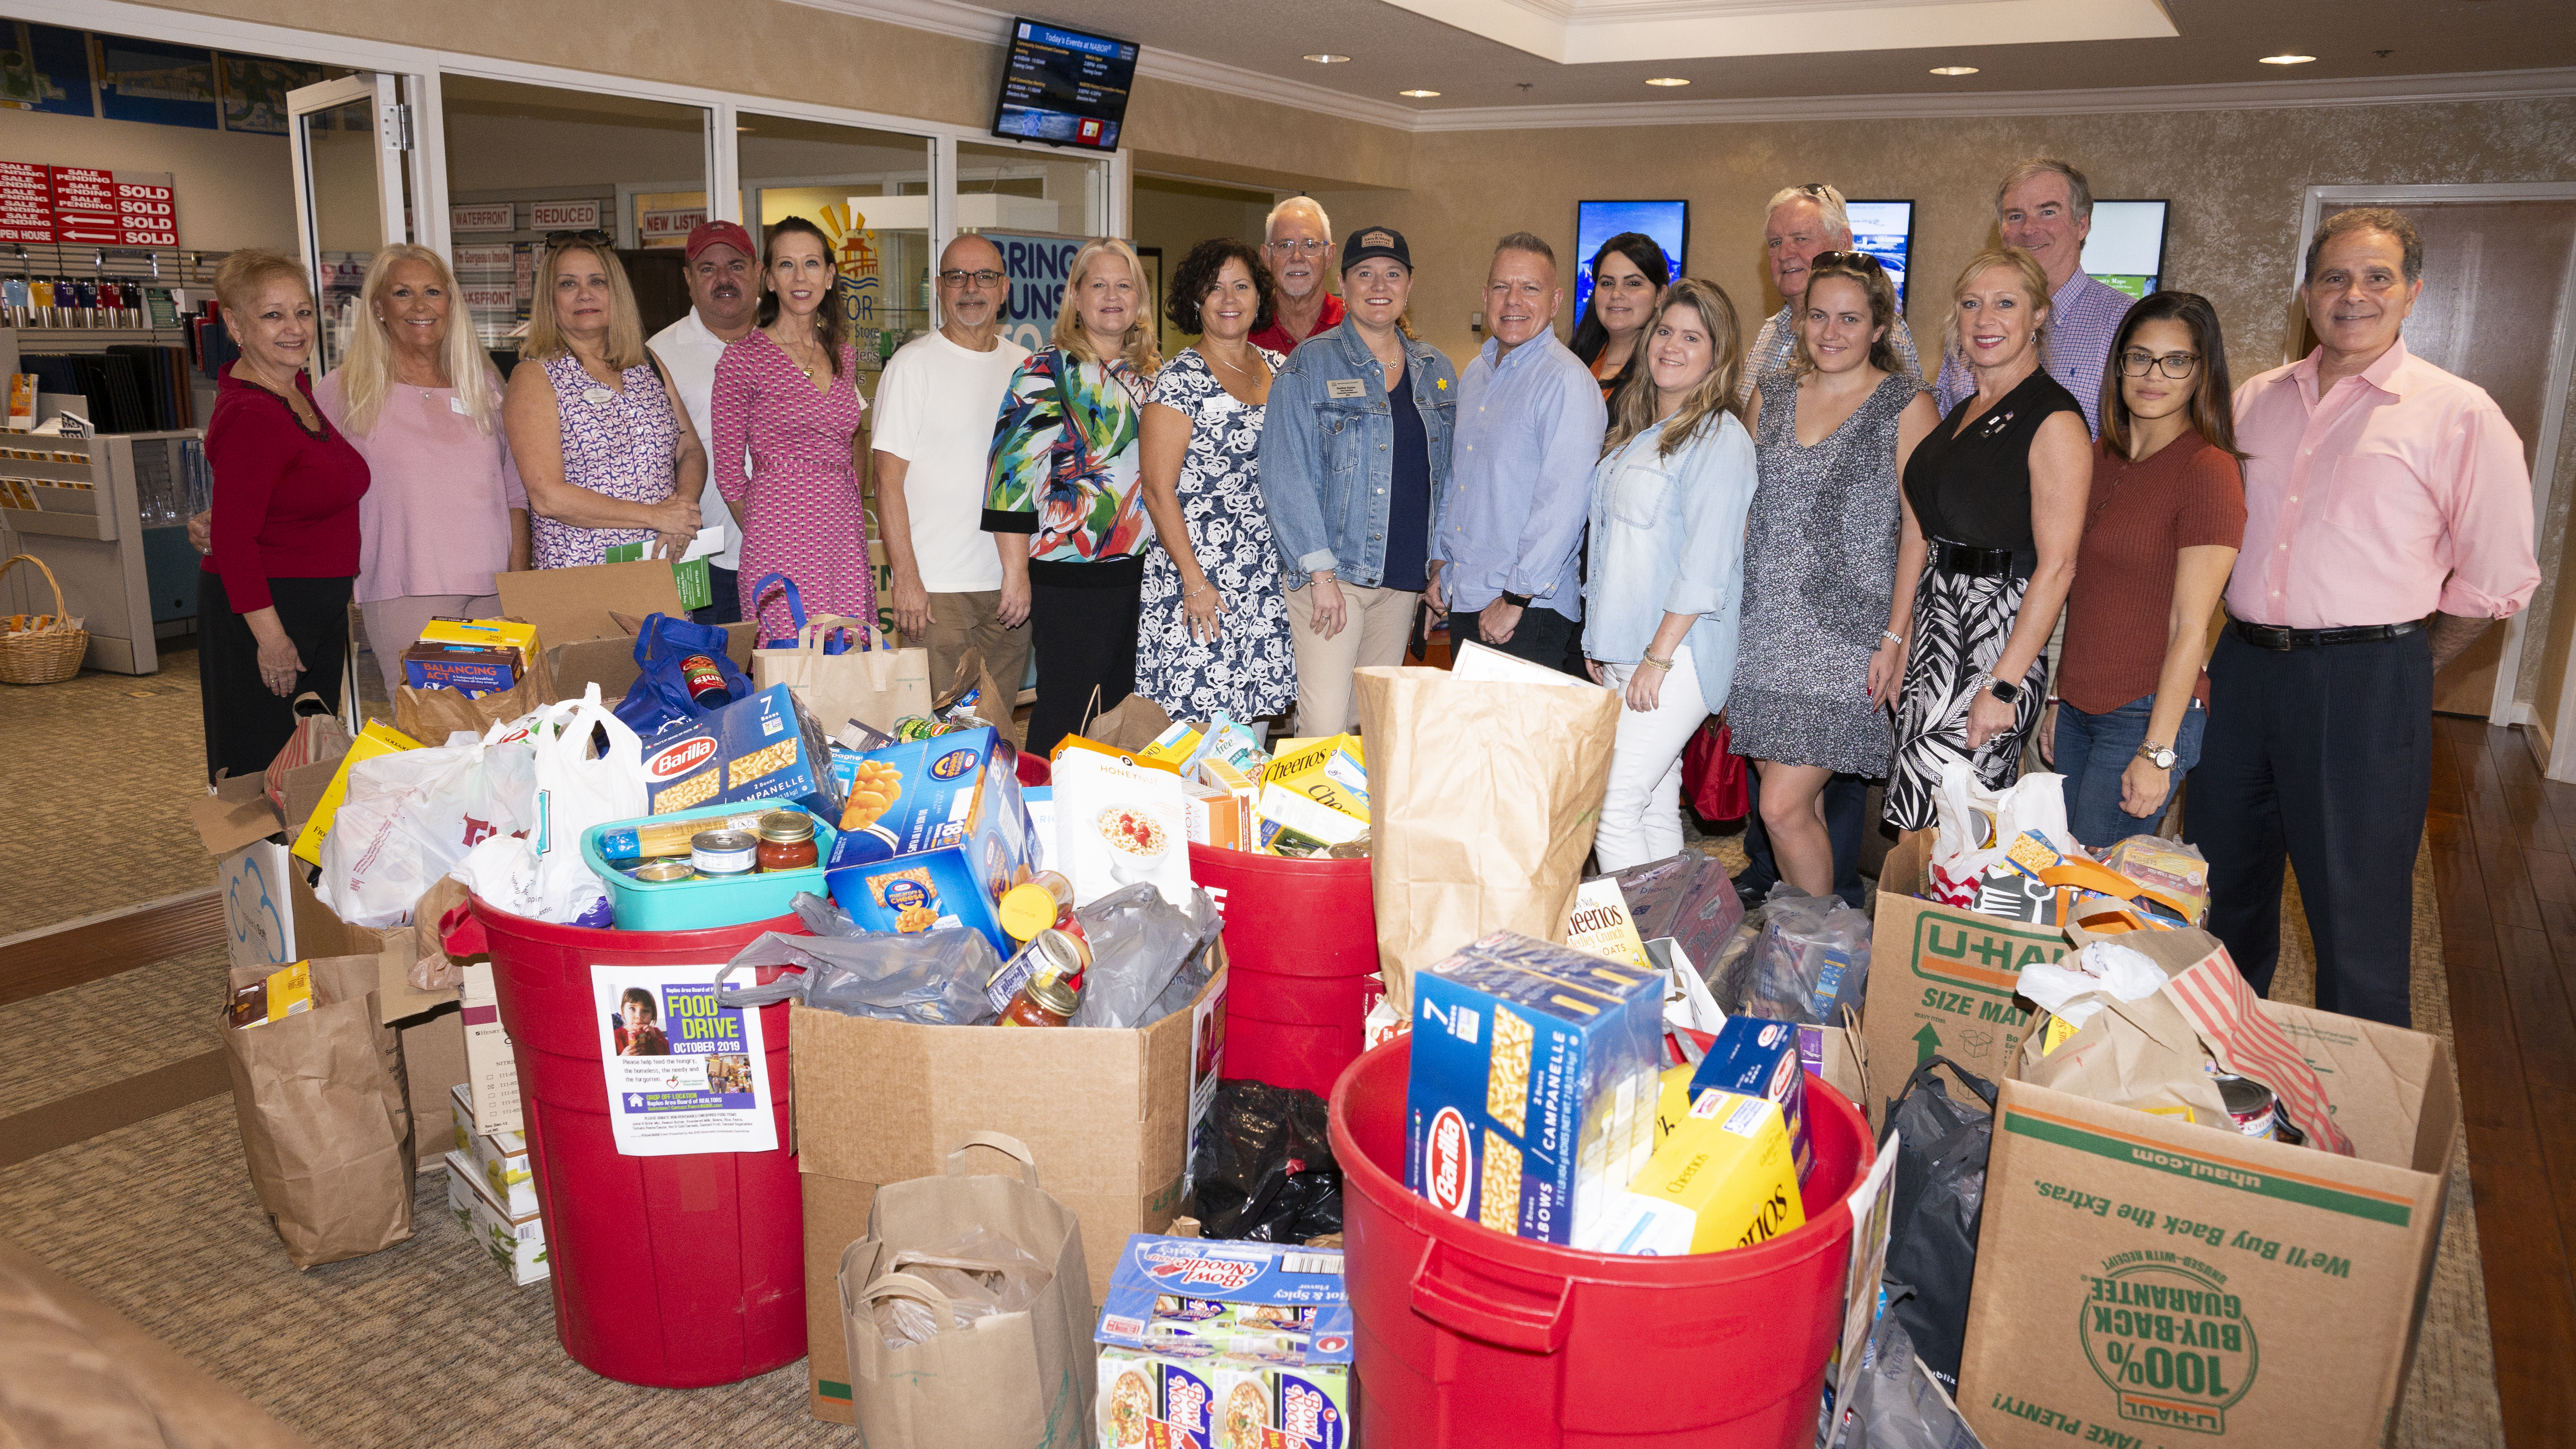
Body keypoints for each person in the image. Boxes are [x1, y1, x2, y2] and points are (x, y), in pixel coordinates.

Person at [2192, 208, 2537, 1027]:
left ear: (2412, 292)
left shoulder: (2459, 414)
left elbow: (2495, 583)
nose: (2354, 294)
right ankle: (2219, 1082)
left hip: (2365, 681)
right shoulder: (2255, 400)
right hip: (2241, 674)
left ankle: (2359, 1138)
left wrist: (2405, 665)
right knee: (2220, 894)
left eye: (2377, 277)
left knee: (2358, 922)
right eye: (2334, 277)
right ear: (2307, 293)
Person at [1731, 252, 1940, 897]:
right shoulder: (1773, 394)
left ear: (1880, 327)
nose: (1830, 332)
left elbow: (1919, 531)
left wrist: (1896, 639)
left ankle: (1817, 953)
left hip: (1847, 640)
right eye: (1817, 315)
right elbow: (1743, 511)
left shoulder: (1908, 405)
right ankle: (1817, 957)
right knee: (1802, 812)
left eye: (1850, 318)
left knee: (1780, 810)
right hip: (1763, 632)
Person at [1885, 248, 2091, 836]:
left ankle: (1940, 930)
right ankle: (1914, 928)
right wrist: (1905, 643)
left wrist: (2002, 686)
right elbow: (1927, 530)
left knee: (1961, 830)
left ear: (2040, 316)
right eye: (1972, 304)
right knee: (1919, 825)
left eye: (2006, 304)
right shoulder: (1968, 409)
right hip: (1939, 633)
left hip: (1994, 642)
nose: (1985, 319)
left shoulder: (2053, 419)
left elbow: (2057, 567)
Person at [2041, 292, 2246, 850]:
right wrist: (2060, 699)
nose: (2154, 374)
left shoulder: (2208, 469)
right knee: (2064, 872)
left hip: (2145, 714)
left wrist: (2158, 752)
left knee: (2093, 893)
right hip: (2081, 705)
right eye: (2139, 357)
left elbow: (2190, 627)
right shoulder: (2101, 455)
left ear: (2202, 373)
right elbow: (2082, 592)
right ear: (2119, 365)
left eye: (2176, 360)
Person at [1581, 280, 1760, 871]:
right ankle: (1670, 955)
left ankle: (1628, 959)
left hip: (1677, 652)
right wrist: (1599, 644)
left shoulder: (1721, 437)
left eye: (1692, 337)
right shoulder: (1640, 430)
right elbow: (1616, 548)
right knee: (1653, 806)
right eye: (1665, 332)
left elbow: (1707, 564)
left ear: (1718, 353)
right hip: (1625, 650)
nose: (1672, 347)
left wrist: (1657, 657)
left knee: (1611, 804)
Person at [1258, 225, 1458, 735]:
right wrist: (1321, 576)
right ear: (1342, 287)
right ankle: (1302, 819)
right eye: (1364, 274)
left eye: (1392, 274)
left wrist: (1436, 564)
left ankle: (1360, 820)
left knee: (1367, 725)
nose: (1379, 286)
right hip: (1335, 580)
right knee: (1323, 726)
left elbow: (1446, 476)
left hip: (1400, 585)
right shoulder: (1308, 365)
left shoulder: (1437, 370)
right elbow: (1285, 474)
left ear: (1410, 286)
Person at [984, 236, 1160, 757]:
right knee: (1067, 713)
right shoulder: (1045, 371)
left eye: (1124, 285)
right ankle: (1041, 818)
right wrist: (1015, 574)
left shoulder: (1157, 375)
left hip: (1145, 577)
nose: (1112, 296)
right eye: (1098, 285)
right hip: (1069, 577)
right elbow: (1008, 478)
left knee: (1124, 714)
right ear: (1076, 298)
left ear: (1139, 299)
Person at [196, 249, 369, 782]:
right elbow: (233, 539)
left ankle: (300, 866)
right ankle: (268, 869)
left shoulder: (292, 392)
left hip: (307, 612)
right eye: (273, 315)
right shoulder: (253, 412)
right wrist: (271, 640)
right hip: (268, 617)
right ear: (235, 324)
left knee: (308, 765)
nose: (294, 329)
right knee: (264, 773)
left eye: (303, 312)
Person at [1133, 238, 1296, 721]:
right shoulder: (1178, 381)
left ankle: (1245, 802)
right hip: (1201, 574)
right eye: (1215, 288)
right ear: (1195, 301)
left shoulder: (1283, 370)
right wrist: (1193, 580)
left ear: (1259, 297)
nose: (1229, 300)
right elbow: (1157, 491)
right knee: (1203, 720)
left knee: (1259, 713)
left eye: (1241, 286)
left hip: (1268, 574)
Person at [1434, 233, 1607, 675]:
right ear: (1485, 294)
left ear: (1555, 301)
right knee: (1474, 745)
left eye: (1530, 288)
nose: (1513, 301)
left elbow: (1564, 503)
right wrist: (1441, 562)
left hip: (1526, 612)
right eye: (1501, 287)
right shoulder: (1475, 374)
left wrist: (1515, 598)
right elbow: (1460, 478)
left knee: (1512, 746)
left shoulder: (1566, 381)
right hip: (1469, 597)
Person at [872, 233, 1034, 699]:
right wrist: (906, 578)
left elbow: (1029, 480)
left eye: (985, 276)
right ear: (940, 290)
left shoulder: (1026, 368)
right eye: (956, 277)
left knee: (997, 734)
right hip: (937, 592)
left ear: (1005, 290)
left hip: (1010, 586)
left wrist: (1021, 574)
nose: (970, 288)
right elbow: (887, 483)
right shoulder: (912, 366)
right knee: (939, 736)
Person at [709, 216, 872, 639]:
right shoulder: (742, 359)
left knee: (849, 660)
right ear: (768, 278)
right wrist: (770, 529)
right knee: (791, 666)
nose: (801, 277)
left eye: (812, 264)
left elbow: (853, 445)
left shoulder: (844, 356)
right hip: (778, 533)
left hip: (843, 535)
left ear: (830, 275)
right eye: (786, 265)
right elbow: (728, 475)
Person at [503, 237, 706, 571]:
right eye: (568, 284)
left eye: (598, 281)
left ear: (617, 294)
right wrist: (655, 516)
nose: (585, 294)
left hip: (664, 564)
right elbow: (547, 497)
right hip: (583, 574)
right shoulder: (534, 377)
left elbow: (690, 451)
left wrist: (682, 509)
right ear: (549, 300)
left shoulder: (645, 362)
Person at [1933, 158, 2135, 439]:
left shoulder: (2127, 323)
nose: (2028, 229)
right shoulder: (1975, 325)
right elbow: (1942, 431)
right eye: (2015, 216)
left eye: (2048, 212)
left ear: (2082, 225)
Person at [646, 220, 759, 625]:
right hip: (699, 557)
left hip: (792, 550)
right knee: (709, 681)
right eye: (708, 269)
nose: (724, 279)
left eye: (736, 265)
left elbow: (848, 437)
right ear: (689, 279)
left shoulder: (792, 342)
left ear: (759, 272)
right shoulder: (656, 356)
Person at [1738, 184, 1922, 403]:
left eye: (1801, 239)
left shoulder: (1883, 332)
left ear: (1843, 242)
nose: (1784, 255)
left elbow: (1902, 419)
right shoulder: (1771, 329)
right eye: (1776, 243)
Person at [1569, 232, 1670, 400]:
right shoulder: (1574, 360)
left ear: (1660, 295)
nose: (1616, 294)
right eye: (1607, 283)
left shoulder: (1664, 372)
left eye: (1633, 283)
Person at [1248, 197, 1343, 355]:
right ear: (1266, 257)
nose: (1297, 257)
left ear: (1330, 256)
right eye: (1285, 246)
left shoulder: (1356, 325)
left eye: (1310, 245)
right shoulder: (1247, 330)